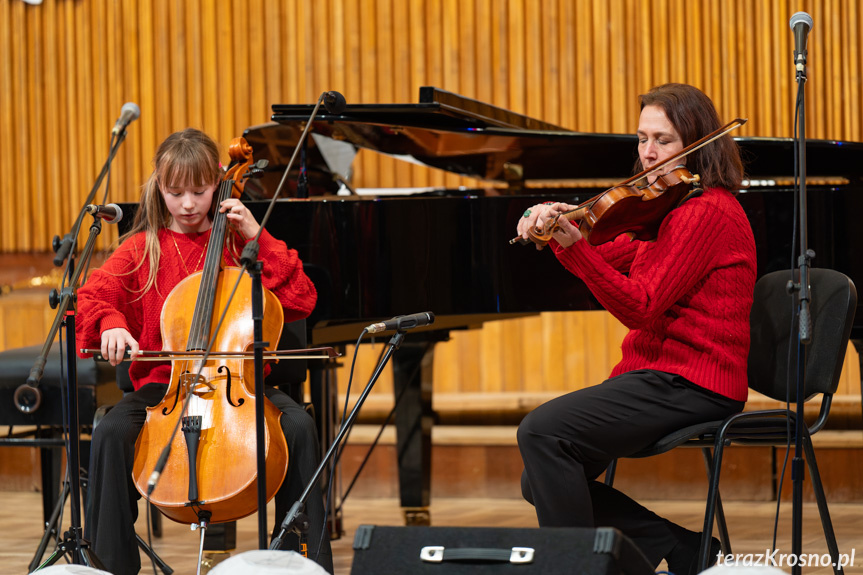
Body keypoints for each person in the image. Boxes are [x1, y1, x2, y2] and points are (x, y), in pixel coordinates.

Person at [515, 83, 756, 575]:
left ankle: (576, 568)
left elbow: (641, 306)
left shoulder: (705, 211)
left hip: (696, 381)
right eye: (642, 138)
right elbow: (602, 257)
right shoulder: (665, 210)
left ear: (698, 143)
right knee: (539, 477)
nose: (648, 152)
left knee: (542, 432)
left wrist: (574, 246)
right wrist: (556, 226)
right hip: (657, 374)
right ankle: (683, 549)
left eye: (663, 140)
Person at [76, 128, 334, 574]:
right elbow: (93, 296)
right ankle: (112, 565)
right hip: (164, 390)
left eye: (199, 191)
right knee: (110, 433)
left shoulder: (238, 245)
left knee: (298, 427)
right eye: (176, 193)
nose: (189, 204)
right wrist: (113, 324)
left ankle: (301, 560)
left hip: (241, 389)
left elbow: (300, 299)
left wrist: (259, 236)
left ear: (218, 186)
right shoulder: (141, 248)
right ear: (160, 187)